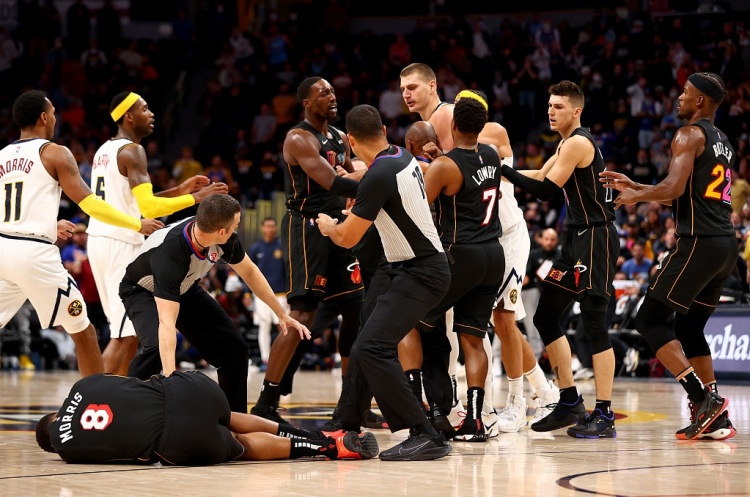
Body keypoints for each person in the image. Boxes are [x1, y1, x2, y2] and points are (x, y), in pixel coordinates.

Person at [600, 72, 736, 440]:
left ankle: (702, 398)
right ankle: (716, 416)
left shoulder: (688, 134)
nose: (679, 97)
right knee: (689, 329)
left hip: (699, 242)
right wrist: (638, 185)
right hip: (724, 245)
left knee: (649, 319)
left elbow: (674, 188)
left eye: (686, 92)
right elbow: (685, 194)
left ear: (700, 101)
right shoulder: (723, 141)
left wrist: (636, 197)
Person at [316, 104, 452, 461]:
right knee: (365, 339)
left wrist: (329, 227)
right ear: (384, 132)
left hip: (420, 271)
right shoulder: (400, 156)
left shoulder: (380, 173)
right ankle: (348, 421)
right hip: (400, 266)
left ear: (350, 140)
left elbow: (347, 237)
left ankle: (425, 434)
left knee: (372, 346)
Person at [0, 90, 162, 377]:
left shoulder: (2, 155)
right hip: (34, 255)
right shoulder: (54, 152)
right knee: (84, 331)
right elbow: (91, 204)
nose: (55, 119)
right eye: (53, 113)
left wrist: (49, 225)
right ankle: (92, 401)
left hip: (4, 249)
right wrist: (136, 223)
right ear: (44, 117)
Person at [501, 81, 619, 438]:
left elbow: (545, 190)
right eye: (550, 106)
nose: (551, 111)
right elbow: (538, 174)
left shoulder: (579, 143)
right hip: (575, 238)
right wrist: (497, 169)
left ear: (576, 111)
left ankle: (604, 413)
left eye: (558, 106)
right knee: (546, 316)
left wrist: (501, 171)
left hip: (596, 237)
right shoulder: (565, 144)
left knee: (595, 325)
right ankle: (569, 401)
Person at [120, 194, 309, 413]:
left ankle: (233, 419)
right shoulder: (171, 253)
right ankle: (125, 410)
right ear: (221, 231)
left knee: (234, 349)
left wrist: (281, 313)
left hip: (184, 286)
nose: (237, 228)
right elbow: (167, 322)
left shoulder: (224, 239)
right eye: (235, 224)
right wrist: (171, 379)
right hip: (141, 290)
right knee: (155, 347)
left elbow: (249, 272)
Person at [88, 91, 227, 376]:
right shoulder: (133, 151)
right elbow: (148, 208)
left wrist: (179, 191)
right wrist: (195, 198)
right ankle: (89, 399)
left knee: (128, 330)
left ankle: (117, 396)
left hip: (102, 239)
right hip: (120, 242)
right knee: (124, 332)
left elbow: (132, 201)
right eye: (145, 109)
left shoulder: (105, 150)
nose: (151, 114)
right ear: (129, 116)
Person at [251, 77, 364, 423]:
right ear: (306, 102)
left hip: (339, 225)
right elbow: (335, 182)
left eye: (332, 91)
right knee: (302, 315)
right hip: (307, 226)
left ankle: (351, 404)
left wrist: (362, 174)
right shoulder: (298, 138)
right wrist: (380, 177)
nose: (332, 96)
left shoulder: (340, 136)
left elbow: (351, 174)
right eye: (323, 93)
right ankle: (267, 401)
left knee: (356, 310)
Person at [35, 371, 378, 465]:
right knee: (229, 417)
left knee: (241, 445)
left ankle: (327, 449)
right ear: (56, 413)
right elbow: (128, 381)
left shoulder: (69, 449)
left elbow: (124, 456)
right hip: (189, 388)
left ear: (54, 443)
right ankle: (315, 434)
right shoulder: (83, 386)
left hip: (178, 438)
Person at [416, 93, 506, 442]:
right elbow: (468, 172)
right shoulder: (492, 155)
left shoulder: (444, 166)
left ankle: (425, 407)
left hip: (461, 254)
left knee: (414, 319)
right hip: (493, 255)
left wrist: (434, 164)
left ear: (452, 125)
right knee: (472, 338)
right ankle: (476, 420)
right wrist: (441, 159)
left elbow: (418, 207)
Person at [248, 217, 287, 371]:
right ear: (262, 228)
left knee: (283, 325)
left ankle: (284, 359)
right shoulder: (256, 248)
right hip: (261, 295)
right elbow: (249, 273)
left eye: (272, 226)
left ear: (275, 228)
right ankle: (266, 359)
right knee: (264, 326)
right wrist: (247, 294)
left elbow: (288, 270)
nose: (270, 229)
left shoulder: (282, 246)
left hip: (281, 294)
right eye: (267, 226)